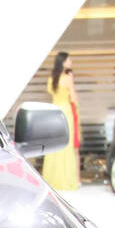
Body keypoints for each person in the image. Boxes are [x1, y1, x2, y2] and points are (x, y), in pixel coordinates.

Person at [42, 51, 80, 191]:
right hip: (66, 111)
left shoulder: (51, 78)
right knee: (66, 146)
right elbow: (73, 97)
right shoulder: (67, 77)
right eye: (69, 60)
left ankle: (51, 178)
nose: (71, 63)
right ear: (63, 62)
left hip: (54, 111)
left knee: (53, 146)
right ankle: (66, 180)